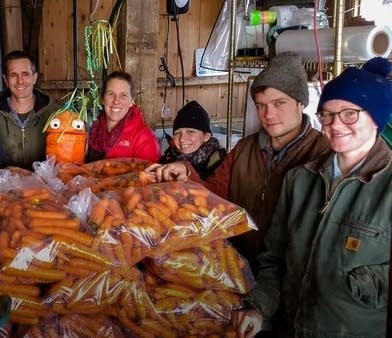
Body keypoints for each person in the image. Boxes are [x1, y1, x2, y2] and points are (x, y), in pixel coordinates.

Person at [233, 56, 392, 338]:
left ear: (376, 117)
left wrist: (356, 284)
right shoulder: (300, 179)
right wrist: (258, 308)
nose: (336, 123)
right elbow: (274, 259)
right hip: (289, 326)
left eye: (350, 113)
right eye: (328, 114)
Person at [146, 52, 331, 272]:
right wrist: (186, 173)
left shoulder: (322, 153)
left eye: (279, 103)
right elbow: (215, 196)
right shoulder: (245, 148)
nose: (269, 114)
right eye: (261, 106)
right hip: (238, 264)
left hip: (291, 276)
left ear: (301, 103)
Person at [0, 50, 59, 169]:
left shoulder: (57, 115)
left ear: (34, 78)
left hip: (47, 186)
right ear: (6, 80)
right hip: (3, 186)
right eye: (13, 75)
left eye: (25, 74)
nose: (20, 81)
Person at [86, 71, 161, 163]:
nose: (116, 101)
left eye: (123, 95)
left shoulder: (144, 137)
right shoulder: (90, 127)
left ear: (132, 101)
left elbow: (148, 175)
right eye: (110, 94)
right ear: (102, 98)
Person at [159, 100, 226, 179]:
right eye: (177, 133)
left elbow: (216, 189)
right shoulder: (168, 158)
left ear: (206, 136)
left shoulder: (219, 163)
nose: (182, 139)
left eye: (190, 131)